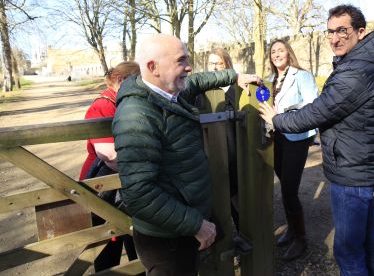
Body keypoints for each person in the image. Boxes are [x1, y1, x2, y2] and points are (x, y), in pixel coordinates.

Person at [112, 34, 261, 276]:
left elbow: (199, 80)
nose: (189, 67)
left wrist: (234, 76)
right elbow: (138, 193)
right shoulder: (136, 116)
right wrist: (197, 225)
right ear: (153, 67)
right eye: (181, 61)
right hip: (167, 240)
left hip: (182, 225)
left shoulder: (168, 92)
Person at [260, 4, 374, 275]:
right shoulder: (357, 64)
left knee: (348, 251)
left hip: (351, 169)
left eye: (342, 30)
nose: (334, 38)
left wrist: (277, 119)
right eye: (330, 32)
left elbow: (318, 109)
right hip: (357, 162)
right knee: (365, 241)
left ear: (361, 32)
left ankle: (300, 237)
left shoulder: (355, 71)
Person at [79, 61, 141, 272]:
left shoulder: (126, 103)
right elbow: (110, 155)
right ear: (122, 80)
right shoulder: (103, 106)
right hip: (105, 187)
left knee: (136, 243)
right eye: (138, 81)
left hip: (127, 186)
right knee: (108, 247)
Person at [267, 39, 318, 260]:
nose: (276, 54)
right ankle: (291, 228)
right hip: (276, 137)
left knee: (288, 189)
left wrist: (284, 112)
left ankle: (301, 239)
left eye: (280, 50)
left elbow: (312, 105)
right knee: (286, 186)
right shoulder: (270, 80)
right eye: (273, 51)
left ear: (289, 53)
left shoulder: (302, 75)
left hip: (295, 138)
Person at [206, 48, 240, 232]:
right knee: (216, 201)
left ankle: (243, 234)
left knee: (236, 199)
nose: (215, 67)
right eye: (212, 63)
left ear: (227, 64)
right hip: (210, 153)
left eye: (219, 63)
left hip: (234, 152)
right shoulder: (201, 92)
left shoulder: (237, 89)